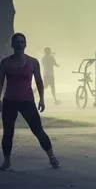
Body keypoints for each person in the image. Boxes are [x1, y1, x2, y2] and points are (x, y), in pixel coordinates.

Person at [0, 33, 60, 170]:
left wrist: (42, 99)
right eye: (17, 42)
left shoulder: (33, 62)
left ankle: (52, 157)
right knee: (8, 132)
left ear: (25, 45)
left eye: (22, 42)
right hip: (9, 101)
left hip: (27, 101)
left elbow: (39, 81)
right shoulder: (5, 63)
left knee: (38, 130)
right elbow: (0, 82)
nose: (20, 44)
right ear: (12, 45)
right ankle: (7, 161)